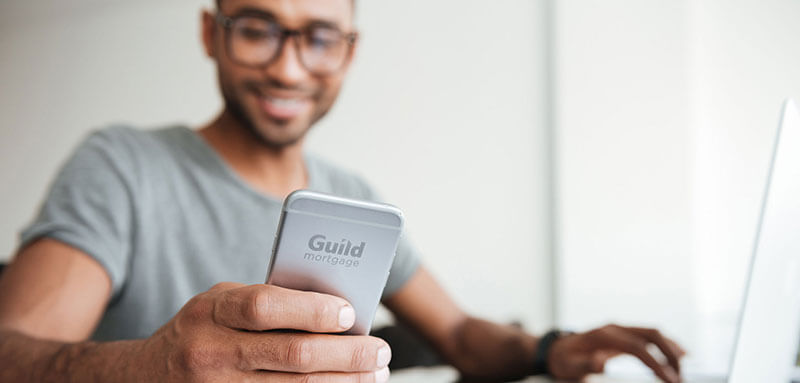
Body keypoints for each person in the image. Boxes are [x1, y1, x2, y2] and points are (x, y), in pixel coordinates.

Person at [0, 0, 685, 382]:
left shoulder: (352, 197)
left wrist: (547, 349)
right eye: (257, 28)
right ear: (212, 34)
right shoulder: (122, 165)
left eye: (318, 37)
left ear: (349, 52)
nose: (288, 66)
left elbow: (458, 334)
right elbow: (11, 351)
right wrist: (153, 365)